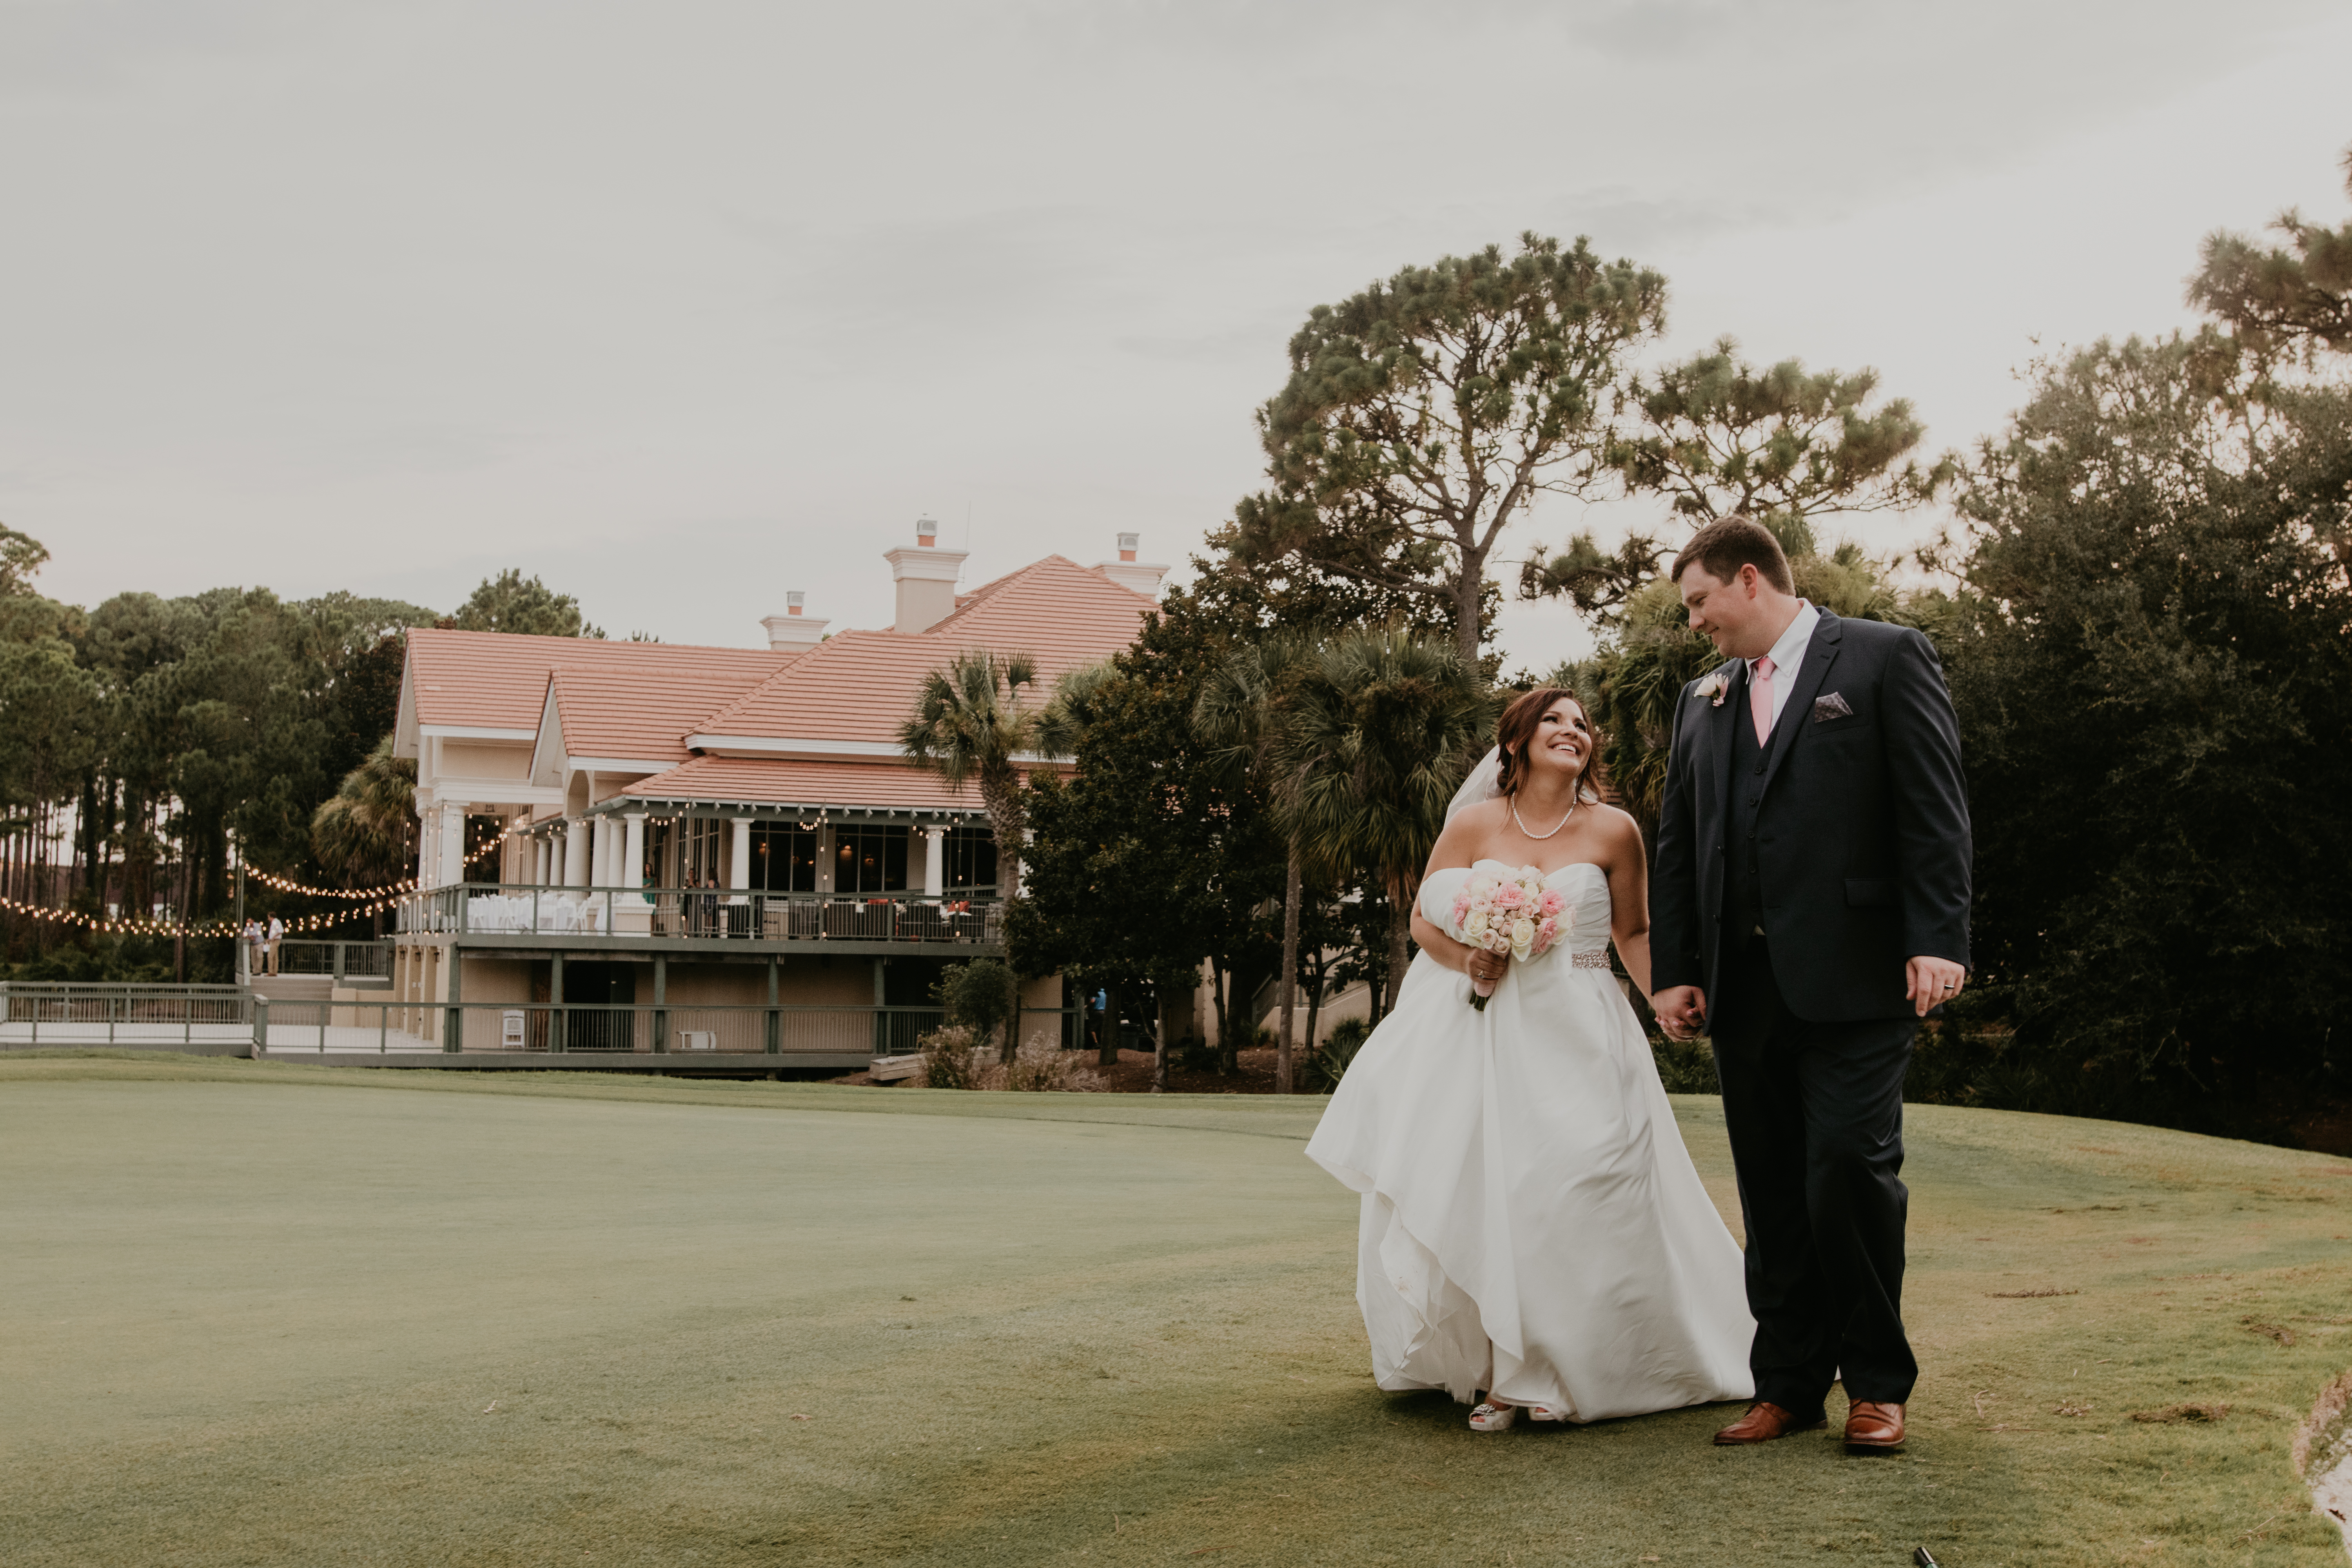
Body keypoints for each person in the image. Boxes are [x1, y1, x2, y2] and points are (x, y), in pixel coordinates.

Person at [1305, 686, 1755, 1432]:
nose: (1571, 731)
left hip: (1584, 1029)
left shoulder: (1614, 831)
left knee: (1587, 1183)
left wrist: (1666, 1000)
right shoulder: (1474, 822)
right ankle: (1510, 1375)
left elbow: (1634, 934)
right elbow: (1423, 917)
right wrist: (1468, 959)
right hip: (1488, 1032)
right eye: (1554, 719)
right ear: (1516, 740)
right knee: (1505, 1192)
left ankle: (1576, 1364)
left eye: (1581, 724)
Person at [1648, 515, 1971, 1454]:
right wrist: (1675, 972)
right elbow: (1678, 844)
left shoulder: (1881, 658)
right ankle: (1786, 1383)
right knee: (1773, 1193)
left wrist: (1937, 937)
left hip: (1858, 979)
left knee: (1848, 1173)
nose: (1697, 623)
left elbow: (1933, 809)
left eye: (1701, 602)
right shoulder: (1698, 699)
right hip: (1741, 993)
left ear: (1749, 580)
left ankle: (1877, 1381)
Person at [263, 913, 285, 977]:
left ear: (271, 917)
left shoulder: (276, 922)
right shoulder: (275, 922)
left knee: (270, 956)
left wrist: (274, 938)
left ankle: (271, 972)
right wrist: (269, 939)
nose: (268, 918)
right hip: (273, 941)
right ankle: (274, 972)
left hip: (275, 941)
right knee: (275, 956)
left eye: (269, 917)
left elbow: (281, 931)